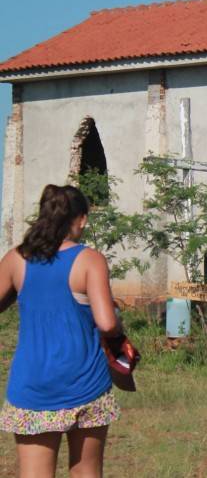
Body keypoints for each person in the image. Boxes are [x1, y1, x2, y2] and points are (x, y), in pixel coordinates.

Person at [0, 185, 124, 477]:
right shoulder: (90, 259)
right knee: (86, 472)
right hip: (87, 384)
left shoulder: (16, 258)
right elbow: (106, 323)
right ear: (81, 219)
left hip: (32, 387)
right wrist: (118, 319)